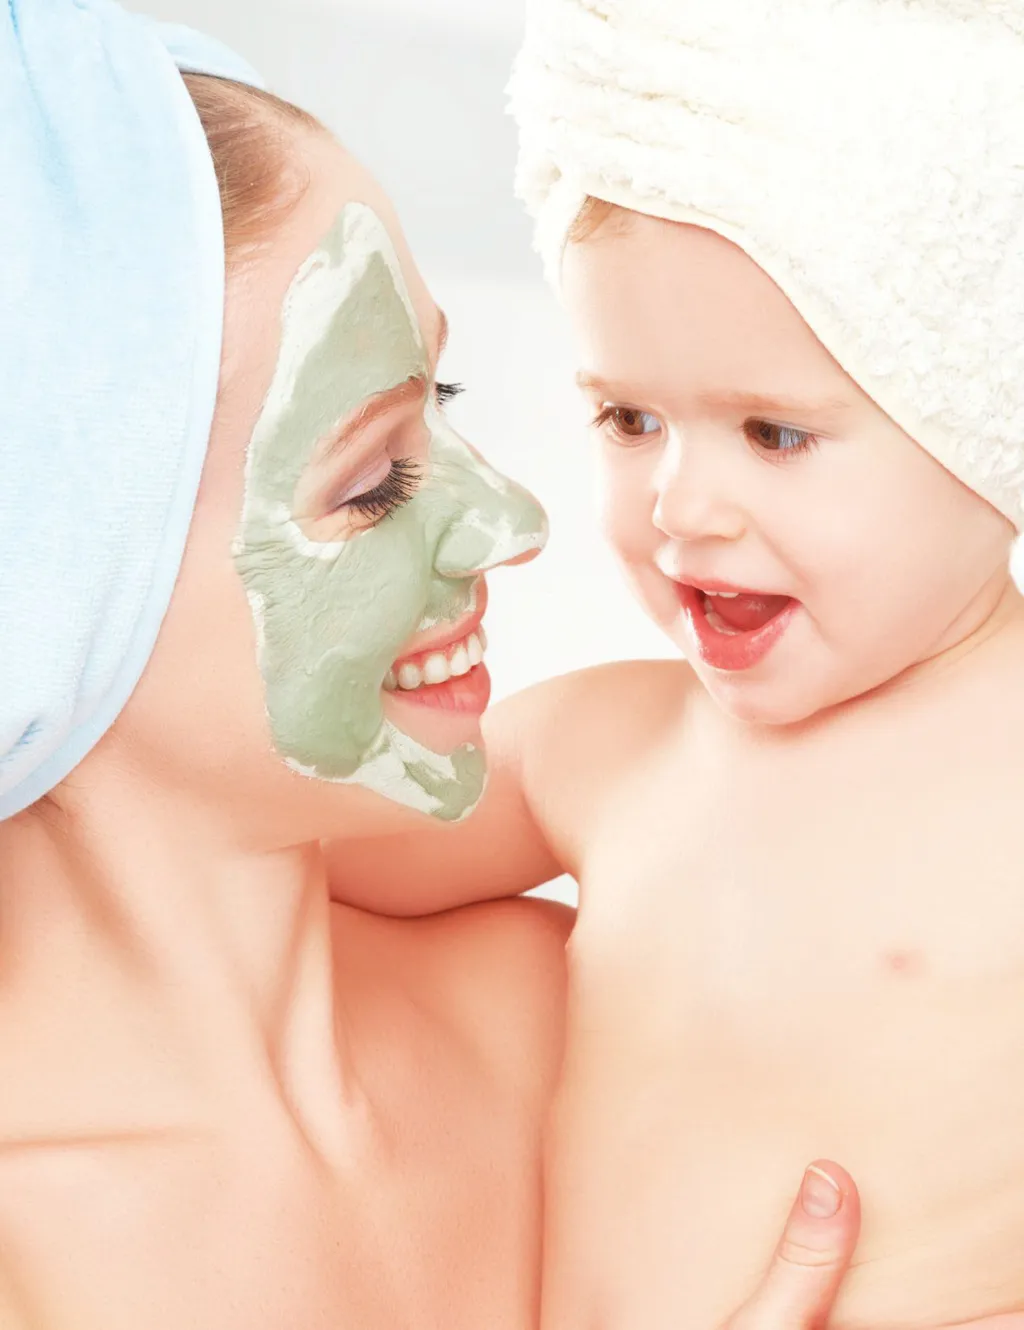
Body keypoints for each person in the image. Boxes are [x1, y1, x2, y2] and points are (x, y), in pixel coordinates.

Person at [0, 2, 882, 1327]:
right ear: (47, 589)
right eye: (371, 481)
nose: (512, 522)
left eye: (443, 405)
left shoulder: (600, 1020)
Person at [331, 0, 1024, 1325]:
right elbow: (255, 857)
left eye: (774, 434)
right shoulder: (609, 748)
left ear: (983, 421)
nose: (681, 506)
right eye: (629, 417)